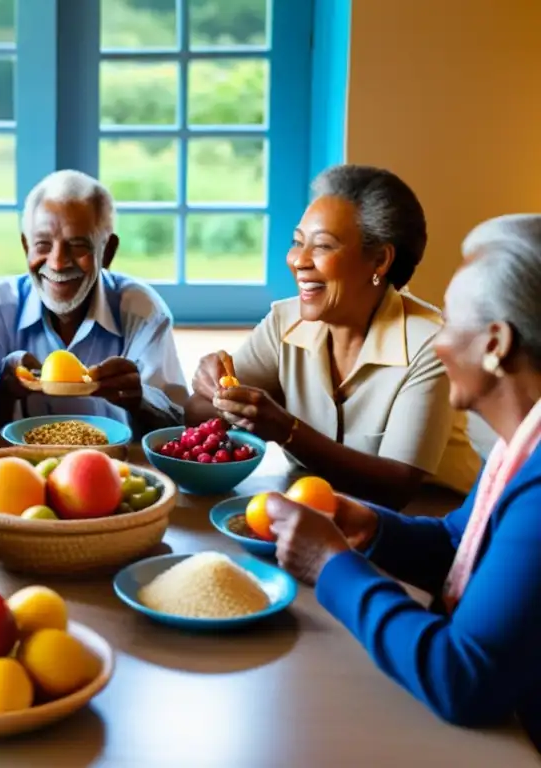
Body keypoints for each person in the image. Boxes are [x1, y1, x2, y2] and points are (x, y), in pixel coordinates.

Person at [264, 213, 541, 749]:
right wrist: (371, 528)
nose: (438, 345)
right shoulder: (519, 444)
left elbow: (465, 679)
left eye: (452, 325)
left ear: (496, 344)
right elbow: (460, 544)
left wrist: (331, 565)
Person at [186, 164, 480, 509]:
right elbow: (197, 413)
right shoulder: (286, 321)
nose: (298, 261)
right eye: (298, 242)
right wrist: (213, 387)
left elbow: (396, 487)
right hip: (319, 512)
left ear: (380, 260)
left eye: (323, 246)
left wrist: (287, 429)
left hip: (428, 528)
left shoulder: (431, 346)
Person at [0, 169, 188, 434]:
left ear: (107, 252)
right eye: (42, 245)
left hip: (114, 468)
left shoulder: (143, 312)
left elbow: (177, 427)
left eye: (78, 245)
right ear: (26, 247)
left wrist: (139, 399)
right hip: (19, 468)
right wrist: (3, 389)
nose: (58, 262)